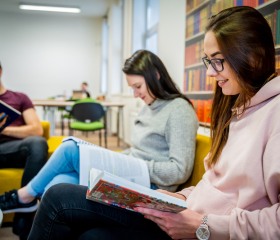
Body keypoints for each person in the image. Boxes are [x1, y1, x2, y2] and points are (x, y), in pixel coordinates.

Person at [27, 6, 280, 240]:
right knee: (74, 208)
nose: (210, 73)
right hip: (180, 211)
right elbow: (213, 183)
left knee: (61, 193)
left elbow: (183, 173)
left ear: (254, 57)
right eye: (207, 60)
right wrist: (181, 196)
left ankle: (22, 201)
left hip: (197, 225)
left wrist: (203, 225)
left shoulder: (271, 114)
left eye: (217, 60)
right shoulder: (235, 109)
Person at [0, 50, 198, 217]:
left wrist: (136, 165)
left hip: (150, 188)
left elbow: (180, 171)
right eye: (132, 88)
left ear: (156, 75)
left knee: (70, 148)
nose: (135, 94)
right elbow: (138, 151)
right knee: (56, 185)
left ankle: (23, 196)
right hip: (132, 174)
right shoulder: (149, 106)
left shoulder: (179, 109)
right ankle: (29, 209)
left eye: (137, 87)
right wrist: (117, 159)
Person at [0, 62, 48, 239]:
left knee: (37, 143)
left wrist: (3, 129)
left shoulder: (19, 98)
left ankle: (23, 216)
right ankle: (25, 223)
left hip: (19, 149)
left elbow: (36, 129)